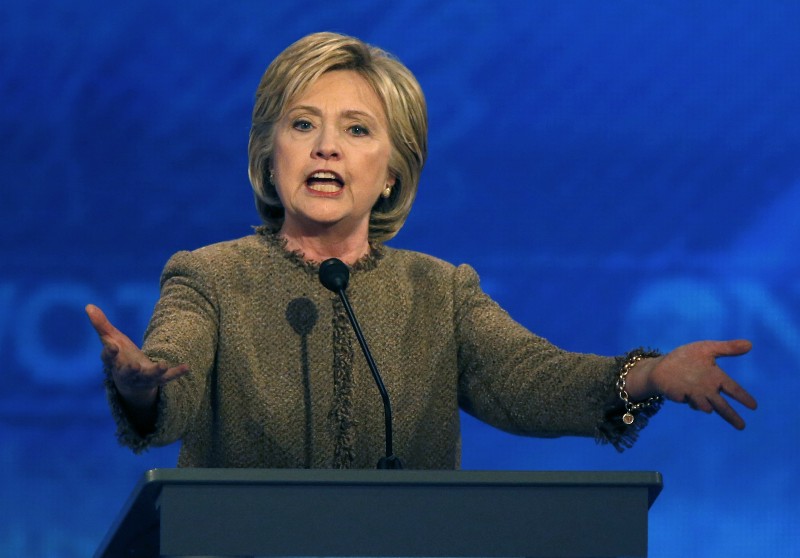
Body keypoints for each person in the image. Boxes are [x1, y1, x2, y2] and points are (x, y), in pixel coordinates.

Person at [85, 31, 757, 469]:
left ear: (393, 171)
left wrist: (647, 374)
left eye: (356, 129)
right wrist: (141, 387)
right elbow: (170, 378)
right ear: (269, 152)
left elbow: (530, 380)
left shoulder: (439, 291)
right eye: (302, 124)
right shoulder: (209, 277)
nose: (326, 146)